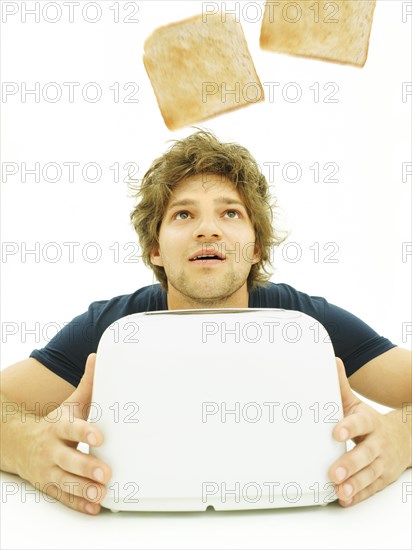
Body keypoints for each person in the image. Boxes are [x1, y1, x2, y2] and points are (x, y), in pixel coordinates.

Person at [1, 130, 411, 515]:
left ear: (256, 248)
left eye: (230, 213)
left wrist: (401, 438)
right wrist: (25, 447)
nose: (207, 229)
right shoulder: (108, 329)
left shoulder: (305, 322)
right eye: (183, 215)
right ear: (156, 248)